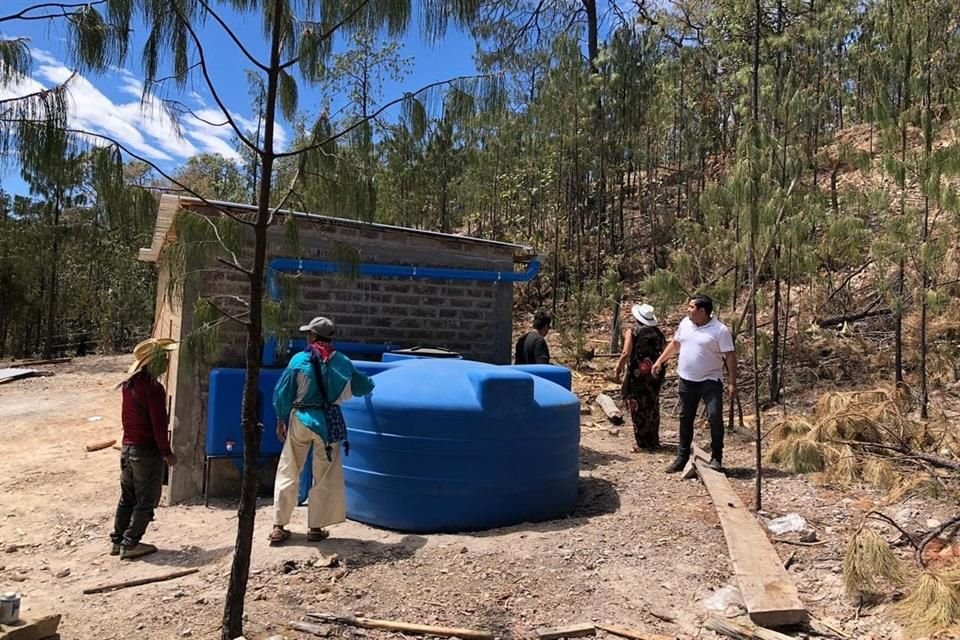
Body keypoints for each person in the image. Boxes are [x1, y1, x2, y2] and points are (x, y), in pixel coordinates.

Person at [269, 316, 375, 545]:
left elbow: (283, 393)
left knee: (289, 468)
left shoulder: (298, 360)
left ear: (313, 336)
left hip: (300, 420)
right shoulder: (343, 363)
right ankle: (315, 528)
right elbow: (363, 387)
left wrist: (280, 418)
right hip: (327, 424)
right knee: (324, 476)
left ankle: (279, 526)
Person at [651, 295, 737, 473]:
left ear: (702, 311)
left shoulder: (719, 330)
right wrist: (660, 361)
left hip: (710, 380)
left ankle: (717, 458)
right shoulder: (685, 324)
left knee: (714, 417)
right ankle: (681, 458)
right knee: (685, 418)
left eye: (691, 307)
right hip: (687, 379)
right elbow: (675, 344)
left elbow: (729, 356)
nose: (688, 310)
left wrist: (732, 383)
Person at [110, 337, 178, 560]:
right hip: (145, 452)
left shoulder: (130, 385)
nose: (167, 362)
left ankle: (117, 539)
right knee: (147, 500)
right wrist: (167, 453)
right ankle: (130, 543)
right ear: (152, 363)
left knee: (127, 497)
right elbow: (158, 426)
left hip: (128, 449)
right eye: (163, 358)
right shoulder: (153, 389)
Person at [614, 303, 667, 451]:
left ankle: (642, 442)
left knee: (637, 406)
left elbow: (626, 353)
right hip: (654, 375)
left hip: (637, 375)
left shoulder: (633, 332)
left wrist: (618, 367)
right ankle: (653, 440)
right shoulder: (659, 334)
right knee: (652, 405)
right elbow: (665, 352)